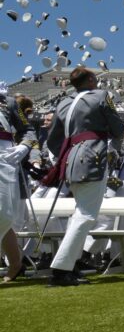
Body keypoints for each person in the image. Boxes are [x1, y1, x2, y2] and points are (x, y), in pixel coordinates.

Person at [45, 67, 124, 286]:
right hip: (92, 158)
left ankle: (72, 264)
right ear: (91, 80)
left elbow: (53, 140)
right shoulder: (100, 96)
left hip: (71, 159)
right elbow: (117, 127)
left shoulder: (62, 103)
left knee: (79, 213)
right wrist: (114, 147)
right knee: (86, 215)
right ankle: (61, 269)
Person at [0, 89, 38, 282]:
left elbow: (28, 130)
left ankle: (15, 263)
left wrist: (24, 146)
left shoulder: (8, 102)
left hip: (4, 158)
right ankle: (15, 263)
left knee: (3, 214)